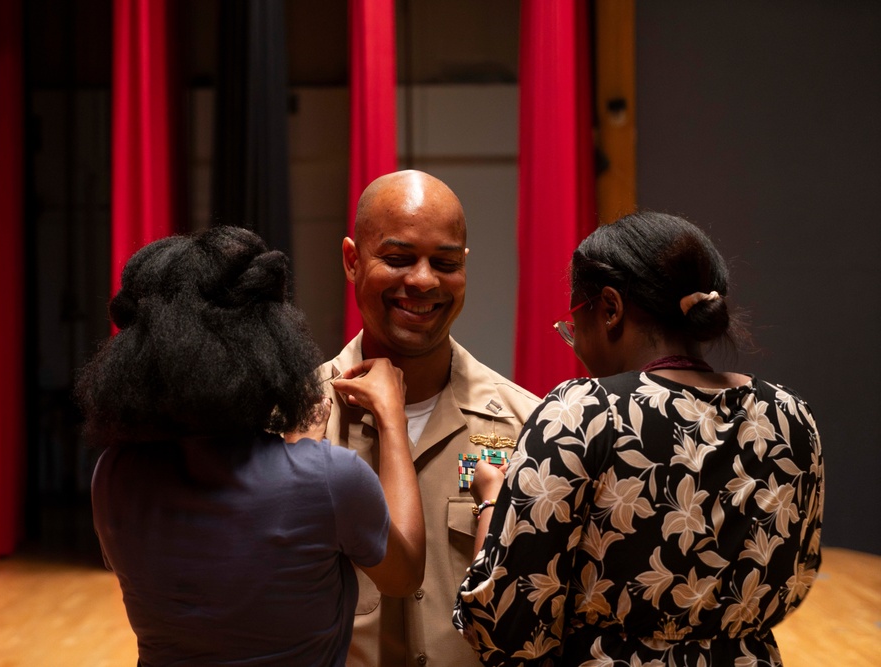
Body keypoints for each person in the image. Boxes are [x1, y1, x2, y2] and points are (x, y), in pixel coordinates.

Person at [453, 211, 824, 666]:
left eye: (575, 319)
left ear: (609, 308)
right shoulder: (790, 414)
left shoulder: (586, 413)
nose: (577, 342)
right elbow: (798, 579)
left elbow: (504, 626)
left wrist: (492, 499)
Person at [76, 226, 424, 666]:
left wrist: (300, 457)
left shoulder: (113, 474)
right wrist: (392, 418)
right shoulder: (328, 480)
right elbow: (405, 573)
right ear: (268, 343)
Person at [321, 170, 541, 666]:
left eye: (444, 263)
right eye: (398, 259)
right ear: (352, 261)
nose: (422, 281)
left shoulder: (527, 426)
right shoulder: (297, 419)